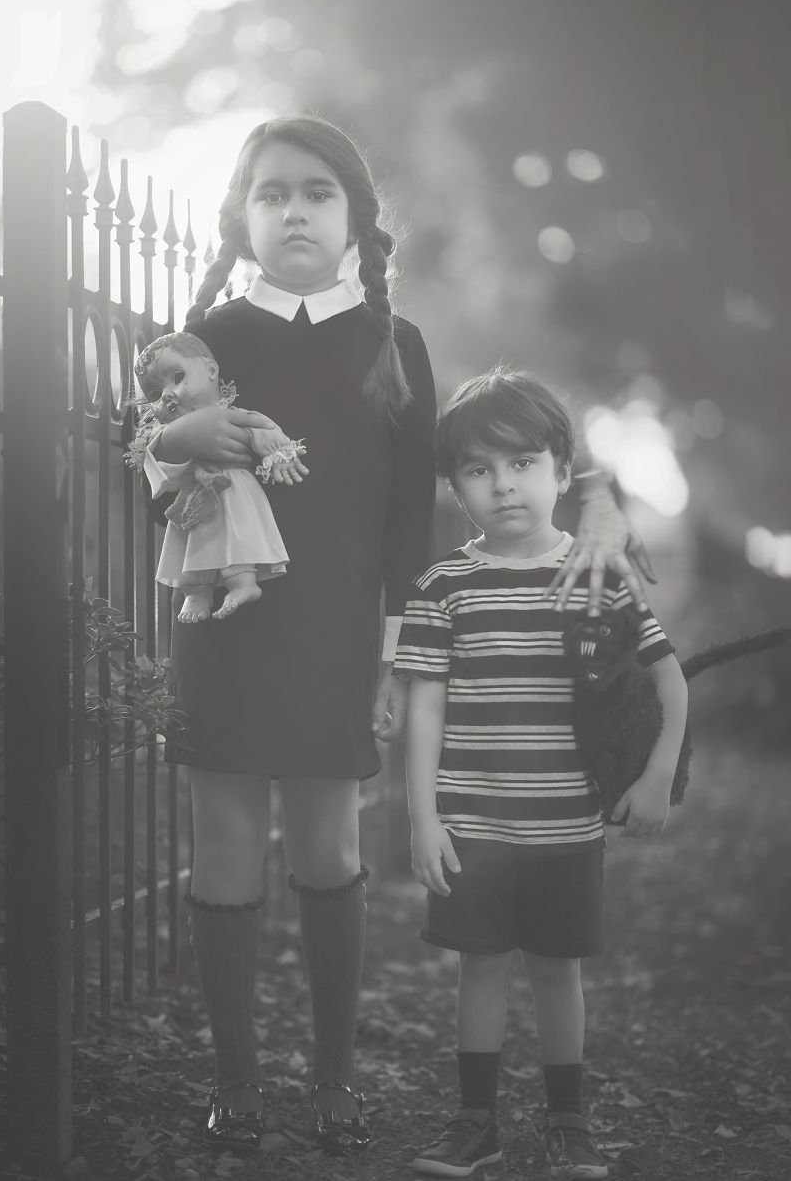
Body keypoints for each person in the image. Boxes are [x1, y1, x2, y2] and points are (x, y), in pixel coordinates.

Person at [142, 117, 652, 1155]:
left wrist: (593, 501)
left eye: (318, 193)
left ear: (354, 221)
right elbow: (148, 465)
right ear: (241, 217)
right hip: (224, 633)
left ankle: (334, 1079)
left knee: (328, 849)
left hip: (340, 641)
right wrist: (168, 437)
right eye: (273, 192)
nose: (295, 209)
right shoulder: (210, 339)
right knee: (227, 854)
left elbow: (437, 497)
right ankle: (235, 1080)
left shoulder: (394, 344)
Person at [394, 367, 688, 1178]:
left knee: (559, 974)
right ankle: (475, 1122)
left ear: (564, 470)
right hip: (475, 826)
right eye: (478, 471)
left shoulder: (599, 572)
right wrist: (423, 818)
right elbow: (424, 707)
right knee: (478, 970)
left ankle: (569, 1123)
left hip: (567, 826)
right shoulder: (443, 588)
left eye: (523, 464)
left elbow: (669, 678)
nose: (503, 485)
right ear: (455, 487)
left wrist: (659, 773)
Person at [132, 332, 305, 622]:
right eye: (153, 395)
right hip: (194, 495)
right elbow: (156, 472)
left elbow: (262, 427)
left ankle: (243, 584)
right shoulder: (165, 433)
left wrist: (277, 453)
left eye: (177, 376)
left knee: (237, 535)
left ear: (211, 370)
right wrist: (175, 439)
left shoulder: (234, 413)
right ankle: (196, 593)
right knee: (194, 545)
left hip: (232, 489)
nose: (166, 394)